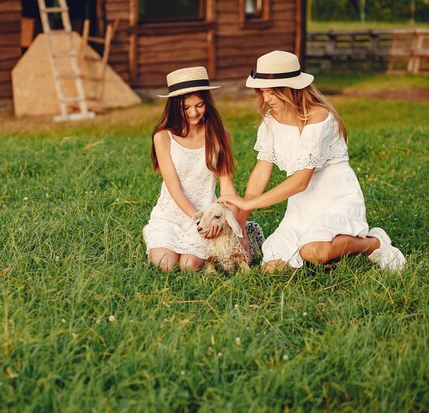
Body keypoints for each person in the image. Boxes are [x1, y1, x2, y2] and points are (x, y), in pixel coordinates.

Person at [219, 50, 406, 273]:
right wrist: (241, 220)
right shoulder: (270, 120)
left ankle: (373, 243)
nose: (266, 98)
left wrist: (249, 204)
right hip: (303, 203)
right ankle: (329, 247)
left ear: (290, 89)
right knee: (271, 268)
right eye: (263, 91)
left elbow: (300, 182)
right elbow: (262, 169)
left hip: (335, 195)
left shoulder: (320, 117)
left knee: (314, 252)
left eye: (272, 92)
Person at [142, 66, 241, 272]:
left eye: (199, 105)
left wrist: (222, 221)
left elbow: (227, 187)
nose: (194, 112)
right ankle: (155, 234)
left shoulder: (220, 135)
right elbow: (174, 188)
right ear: (175, 106)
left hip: (207, 214)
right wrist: (198, 219)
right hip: (172, 214)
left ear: (207, 103)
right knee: (166, 264)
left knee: (188, 265)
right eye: (186, 107)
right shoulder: (163, 137)